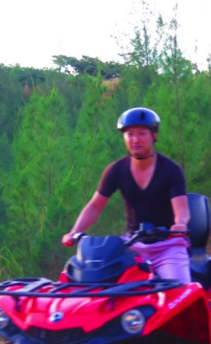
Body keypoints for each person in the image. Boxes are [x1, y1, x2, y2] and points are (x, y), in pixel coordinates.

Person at [61, 107, 192, 283]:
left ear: (153, 135)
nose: (135, 139)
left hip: (167, 246)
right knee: (102, 288)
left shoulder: (170, 170)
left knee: (178, 291)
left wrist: (180, 224)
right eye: (130, 134)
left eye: (142, 133)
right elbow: (94, 206)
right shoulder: (116, 170)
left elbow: (182, 208)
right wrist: (75, 231)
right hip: (132, 246)